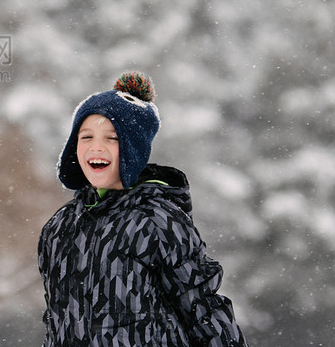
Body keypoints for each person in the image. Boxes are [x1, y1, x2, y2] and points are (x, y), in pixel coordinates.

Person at [38, 71, 248, 347]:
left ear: (132, 149)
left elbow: (201, 307)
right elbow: (57, 322)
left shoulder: (158, 221)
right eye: (86, 137)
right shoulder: (59, 229)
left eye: (111, 138)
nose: (96, 147)